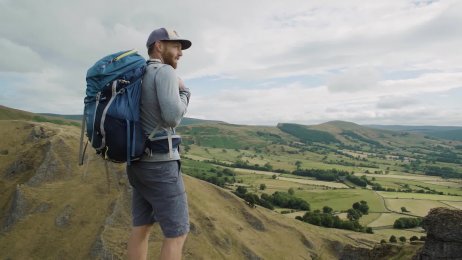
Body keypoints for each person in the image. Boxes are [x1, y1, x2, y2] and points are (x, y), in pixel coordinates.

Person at [126, 28, 192, 260]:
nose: (180, 53)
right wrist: (185, 92)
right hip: (160, 165)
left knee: (141, 227)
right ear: (158, 46)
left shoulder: (138, 74)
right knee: (178, 232)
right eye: (175, 46)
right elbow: (173, 117)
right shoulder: (164, 72)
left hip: (137, 163)